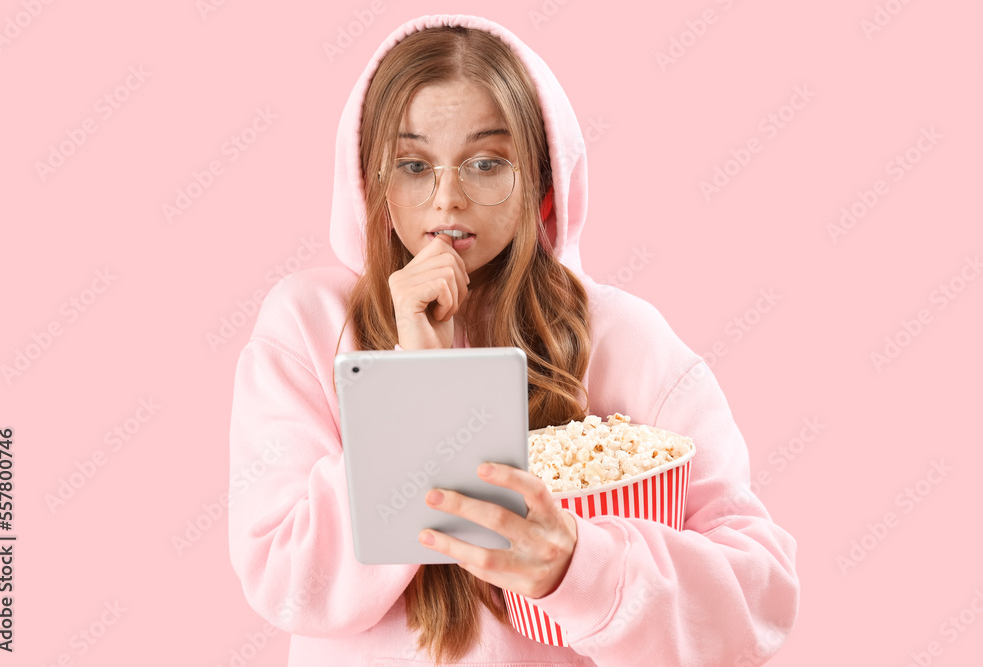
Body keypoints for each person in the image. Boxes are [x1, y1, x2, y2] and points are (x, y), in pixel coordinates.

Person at [228, 13, 800, 667]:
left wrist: (578, 567)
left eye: (485, 163)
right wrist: (415, 387)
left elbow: (758, 599)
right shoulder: (308, 325)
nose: (448, 199)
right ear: (374, 182)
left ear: (543, 182)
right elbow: (284, 576)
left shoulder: (623, 339)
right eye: (415, 165)